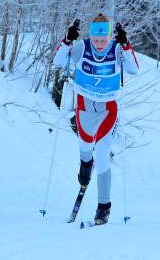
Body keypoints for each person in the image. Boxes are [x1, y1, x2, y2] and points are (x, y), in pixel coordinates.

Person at [53, 13, 139, 225]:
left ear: (110, 37)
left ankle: (103, 207)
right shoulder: (83, 47)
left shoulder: (116, 48)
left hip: (107, 110)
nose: (100, 44)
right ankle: (85, 168)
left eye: (104, 39)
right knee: (84, 149)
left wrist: (126, 45)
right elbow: (58, 62)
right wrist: (66, 41)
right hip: (84, 108)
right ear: (91, 36)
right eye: (97, 39)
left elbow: (134, 69)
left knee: (101, 152)